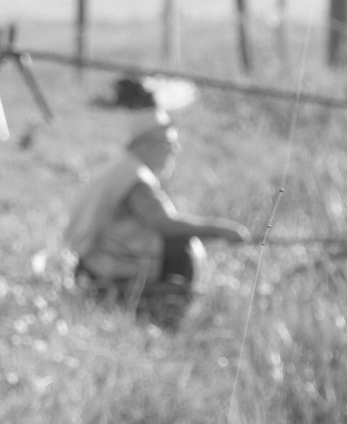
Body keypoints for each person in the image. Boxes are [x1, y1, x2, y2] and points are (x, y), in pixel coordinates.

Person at [63, 108, 248, 331]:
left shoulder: (124, 167)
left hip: (93, 259)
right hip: (100, 266)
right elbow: (165, 224)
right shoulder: (135, 177)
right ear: (148, 144)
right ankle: (169, 316)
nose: (175, 151)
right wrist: (221, 230)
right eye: (170, 145)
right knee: (181, 245)